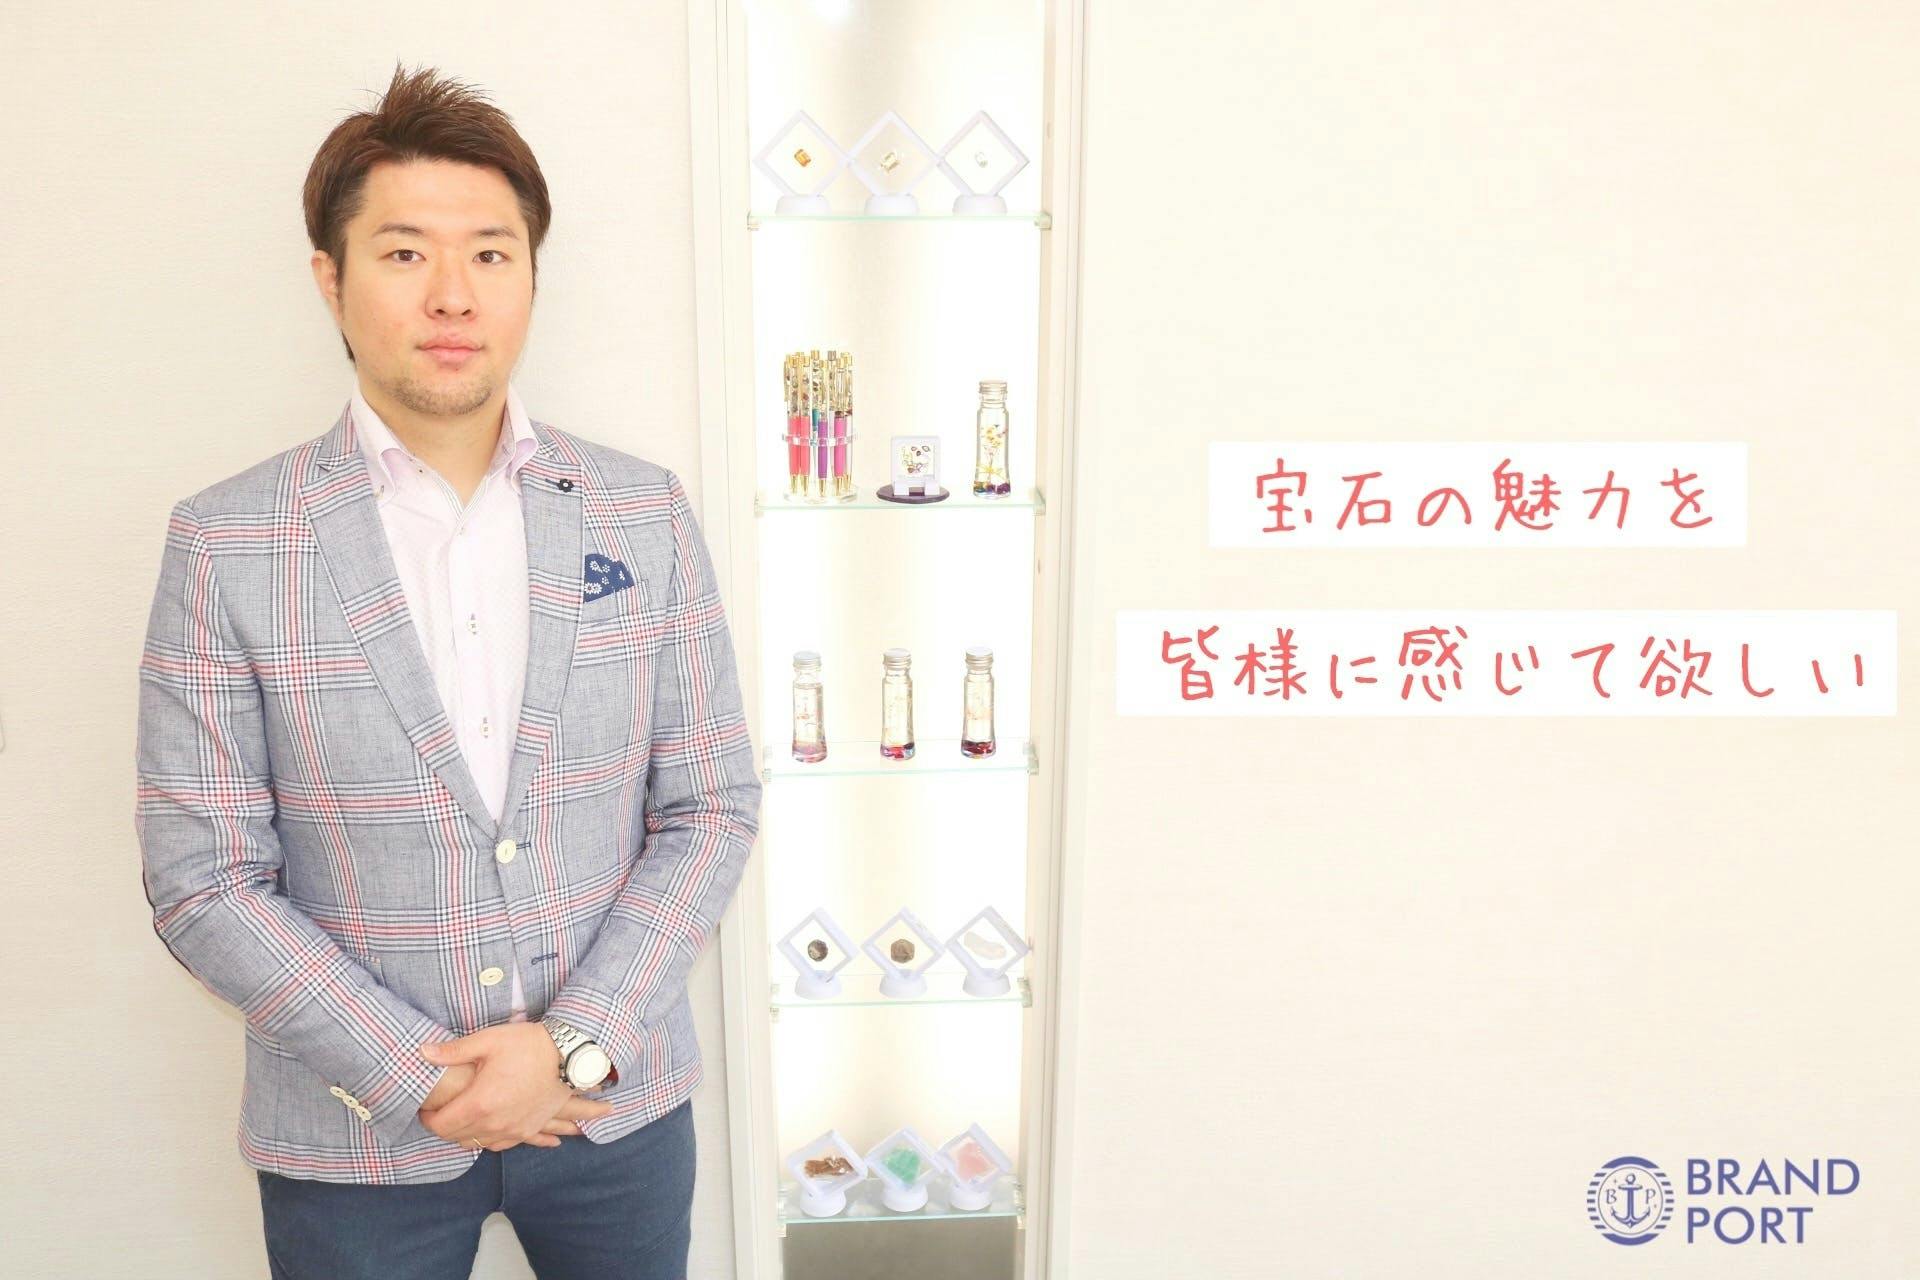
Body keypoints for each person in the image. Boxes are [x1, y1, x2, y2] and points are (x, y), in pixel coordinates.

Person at [133, 62, 762, 1280]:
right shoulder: (226, 539)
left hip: (614, 1107)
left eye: (490, 252)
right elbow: (203, 876)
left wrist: (573, 1040)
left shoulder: (641, 511)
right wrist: (419, 1073)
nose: (453, 293)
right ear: (331, 279)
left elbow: (711, 805)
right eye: (405, 252)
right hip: (352, 1134)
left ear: (531, 276)